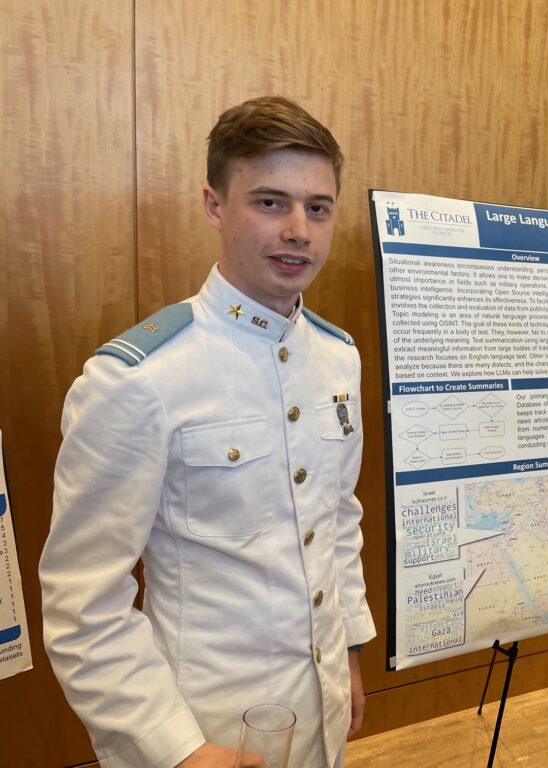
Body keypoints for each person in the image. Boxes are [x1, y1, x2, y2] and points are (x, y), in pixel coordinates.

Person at [40, 96, 375, 768]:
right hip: (203, 730)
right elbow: (84, 605)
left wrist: (348, 658)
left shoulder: (338, 359)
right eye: (270, 202)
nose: (299, 231)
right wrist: (177, 749)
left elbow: (336, 521)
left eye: (318, 207)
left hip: (321, 710)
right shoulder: (140, 379)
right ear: (214, 205)